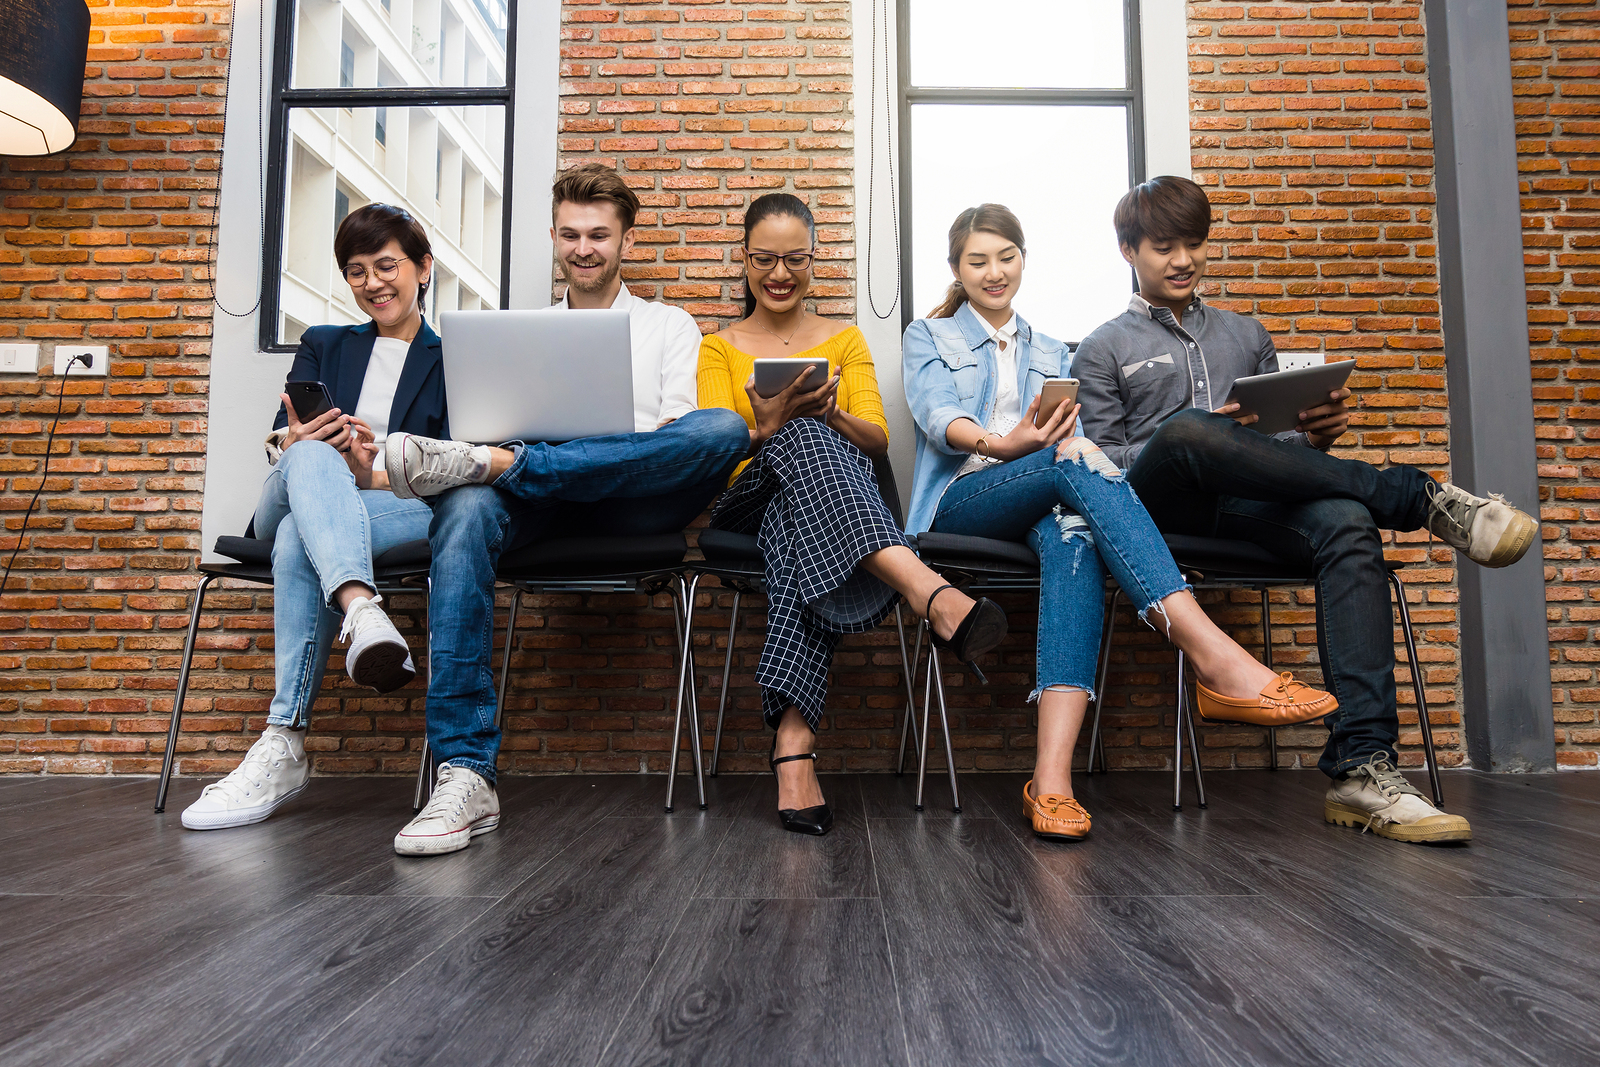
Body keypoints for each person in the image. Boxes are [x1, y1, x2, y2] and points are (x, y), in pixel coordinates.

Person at [1075, 176, 1538, 845]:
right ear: (1129, 251)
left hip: (1245, 509)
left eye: (1194, 244)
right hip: (1158, 516)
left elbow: (1283, 452)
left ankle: (1362, 767)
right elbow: (1106, 465)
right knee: (1187, 433)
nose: (1183, 259)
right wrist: (1205, 433)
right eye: (1164, 246)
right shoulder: (1103, 346)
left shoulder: (1246, 333)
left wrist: (1316, 435)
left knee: (1348, 524)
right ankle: (1417, 497)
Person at [903, 203, 1338, 843]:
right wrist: (1008, 444)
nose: (994, 272)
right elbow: (941, 420)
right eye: (978, 261)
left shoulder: (1055, 349)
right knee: (1069, 462)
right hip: (964, 499)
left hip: (1045, 497)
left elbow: (1076, 443)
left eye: (1006, 257)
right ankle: (1209, 651)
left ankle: (1050, 782)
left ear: (1023, 260)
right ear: (956, 269)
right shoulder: (928, 337)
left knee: (1075, 533)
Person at [371, 164, 753, 856]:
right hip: (538, 506)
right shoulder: (521, 332)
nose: (584, 247)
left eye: (600, 235)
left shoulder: (669, 325)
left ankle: (507, 463)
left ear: (625, 240)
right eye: (571, 234)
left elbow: (675, 440)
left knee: (721, 429)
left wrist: (523, 458)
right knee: (463, 511)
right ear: (553, 235)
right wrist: (516, 461)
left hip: (636, 504)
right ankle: (466, 774)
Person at [698, 193, 1008, 837]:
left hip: (818, 508)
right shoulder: (718, 349)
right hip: (745, 500)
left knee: (803, 509)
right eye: (764, 259)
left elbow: (877, 439)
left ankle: (793, 750)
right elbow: (713, 453)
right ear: (745, 262)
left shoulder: (845, 339)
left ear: (814, 261)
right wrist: (768, 426)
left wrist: (829, 412)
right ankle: (929, 592)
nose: (780, 273)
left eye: (795, 259)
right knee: (796, 440)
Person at [181, 204, 444, 831]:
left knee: (306, 531)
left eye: (387, 266)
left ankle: (284, 740)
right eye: (356, 272)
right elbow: (279, 440)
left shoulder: (457, 355)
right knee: (308, 458)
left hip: (392, 504)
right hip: (291, 491)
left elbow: (452, 464)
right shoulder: (325, 344)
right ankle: (362, 609)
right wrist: (301, 444)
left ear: (423, 268)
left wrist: (366, 470)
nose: (373, 283)